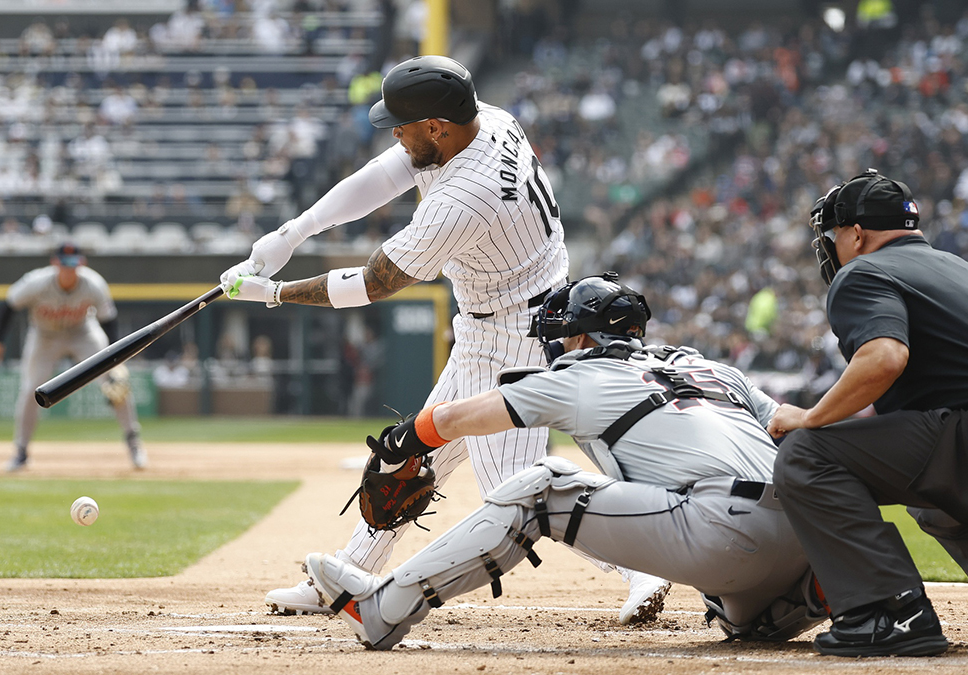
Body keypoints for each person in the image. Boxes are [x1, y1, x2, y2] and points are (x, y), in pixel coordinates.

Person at [218, 55, 671, 623]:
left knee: (521, 492)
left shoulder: (465, 197)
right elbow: (383, 177)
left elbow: (373, 283)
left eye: (403, 126)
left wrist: (276, 294)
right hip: (500, 320)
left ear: (436, 126)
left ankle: (643, 566)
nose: (396, 135)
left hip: (514, 335)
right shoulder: (487, 120)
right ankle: (347, 573)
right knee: (414, 453)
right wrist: (295, 230)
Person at [299, 273, 827, 650]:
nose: (552, 345)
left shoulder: (582, 375)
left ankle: (382, 610)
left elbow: (465, 417)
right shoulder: (711, 369)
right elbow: (790, 425)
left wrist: (403, 440)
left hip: (724, 537)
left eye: (558, 335)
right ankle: (822, 600)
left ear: (580, 335)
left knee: (543, 488)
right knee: (734, 605)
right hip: (807, 545)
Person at [766, 170, 968, 657]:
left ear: (857, 233)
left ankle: (891, 611)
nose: (833, 246)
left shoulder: (863, 271)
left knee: (805, 454)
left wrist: (811, 417)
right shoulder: (963, 269)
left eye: (835, 234)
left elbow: (884, 358)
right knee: (936, 497)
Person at [0, 243, 147, 472]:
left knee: (116, 383)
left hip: (83, 333)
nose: (68, 268)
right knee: (31, 389)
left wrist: (115, 360)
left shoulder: (93, 284)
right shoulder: (37, 282)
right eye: (64, 263)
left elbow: (109, 321)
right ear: (55, 263)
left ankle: (134, 445)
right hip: (45, 336)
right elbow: (9, 305)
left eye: (73, 263)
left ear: (81, 264)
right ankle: (21, 452)